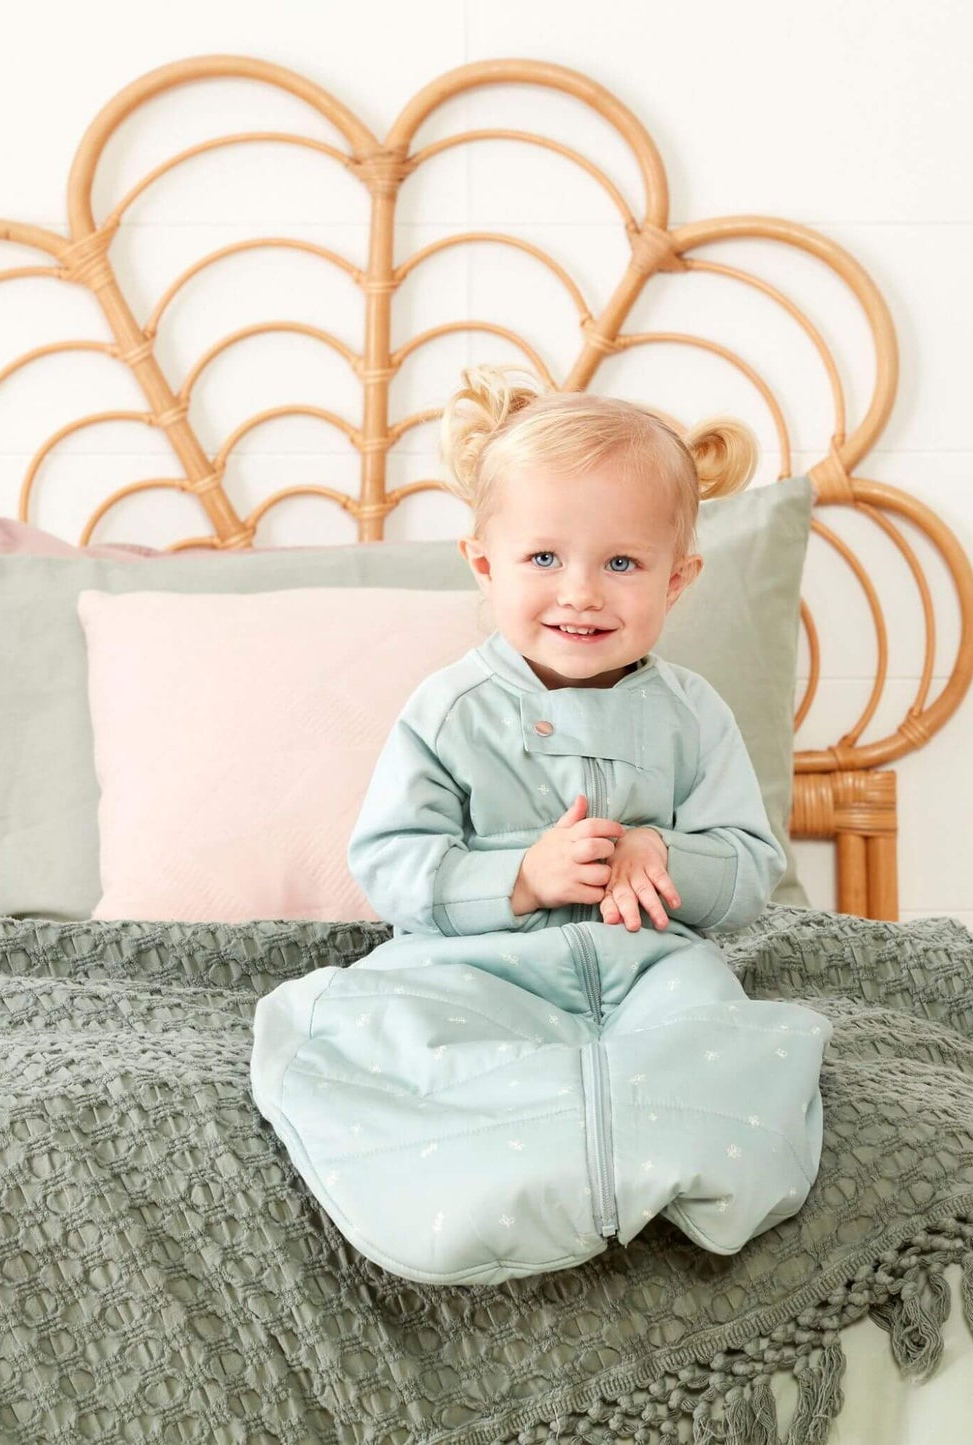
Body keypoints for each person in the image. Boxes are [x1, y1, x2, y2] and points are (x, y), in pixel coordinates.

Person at [249, 365, 830, 1286]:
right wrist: (519, 877)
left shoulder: (693, 714)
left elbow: (749, 868)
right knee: (404, 1042)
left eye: (623, 563)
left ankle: (634, 1167)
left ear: (678, 580)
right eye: (545, 558)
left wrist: (661, 851)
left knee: (714, 1038)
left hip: (647, 972)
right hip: (471, 968)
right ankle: (504, 1181)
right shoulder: (451, 710)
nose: (582, 593)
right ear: (485, 563)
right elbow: (394, 865)